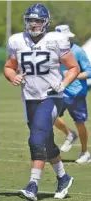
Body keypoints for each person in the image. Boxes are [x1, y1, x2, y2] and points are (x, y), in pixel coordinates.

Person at [4, 4, 80, 201]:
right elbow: (9, 66)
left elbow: (73, 67)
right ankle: (63, 177)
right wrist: (12, 76)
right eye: (30, 20)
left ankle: (33, 185)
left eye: (38, 20)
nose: (34, 24)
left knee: (36, 138)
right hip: (30, 97)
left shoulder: (56, 40)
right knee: (45, 140)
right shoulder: (17, 41)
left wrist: (63, 84)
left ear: (45, 22)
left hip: (52, 97)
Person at [54, 25, 91, 163]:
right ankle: (70, 134)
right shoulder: (54, 51)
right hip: (60, 91)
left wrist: (73, 75)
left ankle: (85, 153)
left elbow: (90, 71)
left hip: (77, 93)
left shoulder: (78, 51)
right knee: (51, 116)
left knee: (79, 122)